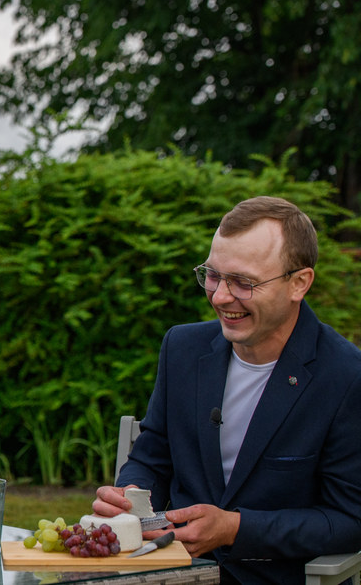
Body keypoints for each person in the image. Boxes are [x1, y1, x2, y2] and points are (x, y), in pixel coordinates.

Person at [93, 196, 361, 584]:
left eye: (243, 282)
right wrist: (131, 494)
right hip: (170, 572)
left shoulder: (346, 376)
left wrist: (236, 528)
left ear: (299, 283)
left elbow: (351, 519)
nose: (219, 296)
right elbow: (153, 456)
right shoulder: (182, 349)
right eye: (213, 275)